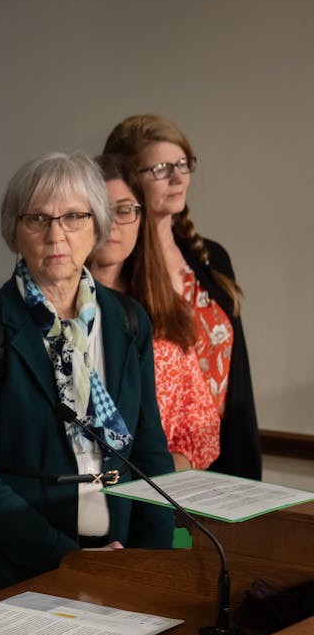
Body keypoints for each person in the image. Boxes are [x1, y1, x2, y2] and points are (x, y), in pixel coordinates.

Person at [0, 152, 174, 604]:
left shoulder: (128, 321)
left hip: (118, 559)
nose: (56, 235)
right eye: (38, 219)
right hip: (10, 572)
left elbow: (149, 452)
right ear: (15, 230)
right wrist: (69, 559)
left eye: (73, 217)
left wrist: (151, 562)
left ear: (98, 226)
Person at [102, 114, 259, 479]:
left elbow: (236, 371)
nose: (177, 177)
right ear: (128, 179)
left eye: (182, 164)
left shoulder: (211, 256)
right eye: (160, 168)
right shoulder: (117, 267)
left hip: (221, 452)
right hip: (156, 467)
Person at [88, 155, 219, 471]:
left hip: (163, 491)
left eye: (125, 210)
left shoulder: (166, 305)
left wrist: (167, 468)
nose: (113, 224)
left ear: (141, 217)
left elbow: (200, 422)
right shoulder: (55, 309)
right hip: (81, 492)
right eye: (99, 211)